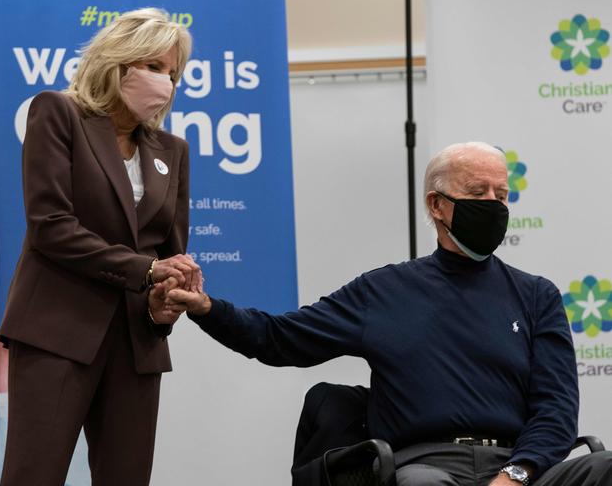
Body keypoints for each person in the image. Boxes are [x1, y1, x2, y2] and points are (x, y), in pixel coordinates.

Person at [165, 142, 612, 485]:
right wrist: (207, 308)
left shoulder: (537, 296)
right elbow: (279, 338)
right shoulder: (384, 291)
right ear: (438, 206)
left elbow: (556, 410)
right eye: (478, 192)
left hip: (520, 467)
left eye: (502, 193)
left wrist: (514, 475)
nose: (494, 203)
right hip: (424, 465)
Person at [0, 8, 199, 485]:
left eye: (171, 74)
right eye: (153, 67)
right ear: (118, 61)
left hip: (136, 343)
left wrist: (166, 292)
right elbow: (50, 226)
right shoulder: (58, 113)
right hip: (57, 332)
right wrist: (145, 271)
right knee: (34, 475)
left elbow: (166, 251)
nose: (164, 83)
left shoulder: (173, 150)